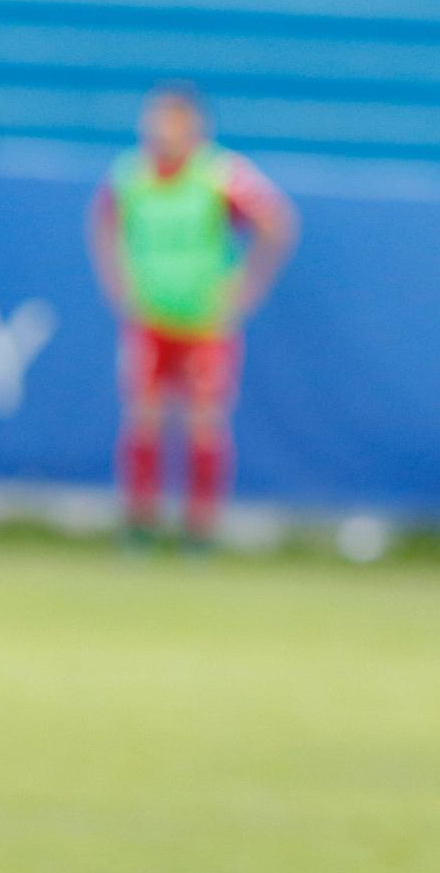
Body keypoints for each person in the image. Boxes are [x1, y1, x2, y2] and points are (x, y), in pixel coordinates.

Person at [87, 82, 295, 547]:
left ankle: (199, 530)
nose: (161, 132)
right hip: (150, 319)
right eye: (155, 121)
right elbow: (103, 223)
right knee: (144, 418)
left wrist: (246, 287)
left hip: (205, 322)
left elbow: (276, 223)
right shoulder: (131, 175)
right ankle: (140, 525)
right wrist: (118, 284)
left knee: (205, 423)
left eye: (172, 123)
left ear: (194, 127)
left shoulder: (221, 175)